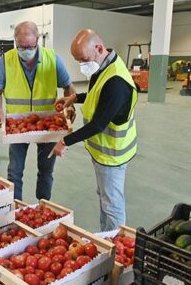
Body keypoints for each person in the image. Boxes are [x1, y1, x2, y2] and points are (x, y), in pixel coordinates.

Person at [50, 29, 138, 231]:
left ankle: (115, 245)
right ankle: (106, 236)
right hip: (102, 152)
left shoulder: (116, 81)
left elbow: (98, 124)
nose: (82, 65)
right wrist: (74, 98)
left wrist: (64, 142)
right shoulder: (103, 66)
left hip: (112, 154)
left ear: (98, 48)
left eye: (83, 59)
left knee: (112, 203)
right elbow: (97, 97)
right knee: (105, 197)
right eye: (78, 61)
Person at [0, 21, 76, 201]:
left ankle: (43, 206)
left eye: (29, 46)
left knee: (46, 170)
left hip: (48, 124)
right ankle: (15, 209)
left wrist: (67, 109)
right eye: (20, 46)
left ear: (37, 40)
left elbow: (69, 87)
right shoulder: (6, 60)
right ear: (15, 41)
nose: (25, 50)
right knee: (14, 172)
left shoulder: (52, 58)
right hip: (17, 125)